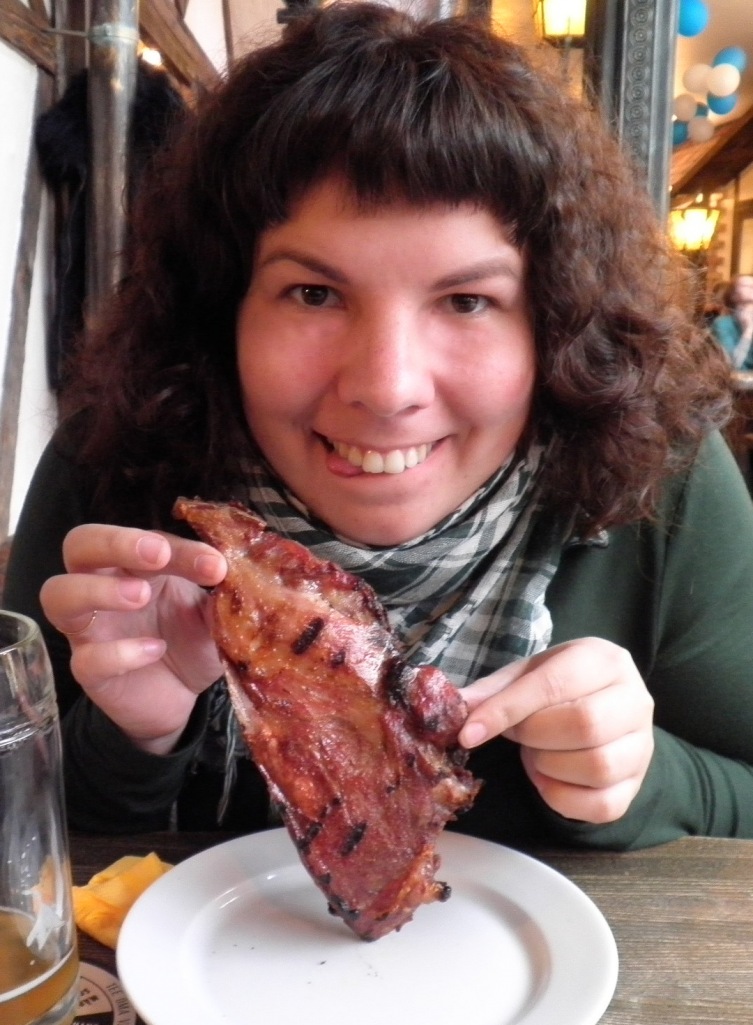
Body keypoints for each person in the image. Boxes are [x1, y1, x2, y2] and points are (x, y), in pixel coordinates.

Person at [6, 3, 753, 851]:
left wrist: (644, 778)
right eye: (314, 294)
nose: (386, 387)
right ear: (222, 309)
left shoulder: (662, 477)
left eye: (466, 300)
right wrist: (129, 740)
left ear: (554, 323)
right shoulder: (112, 462)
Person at [710, 273, 753, 369]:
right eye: (745, 285)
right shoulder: (722, 324)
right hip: (737, 378)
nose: (751, 287)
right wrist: (748, 331)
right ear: (733, 295)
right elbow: (733, 366)